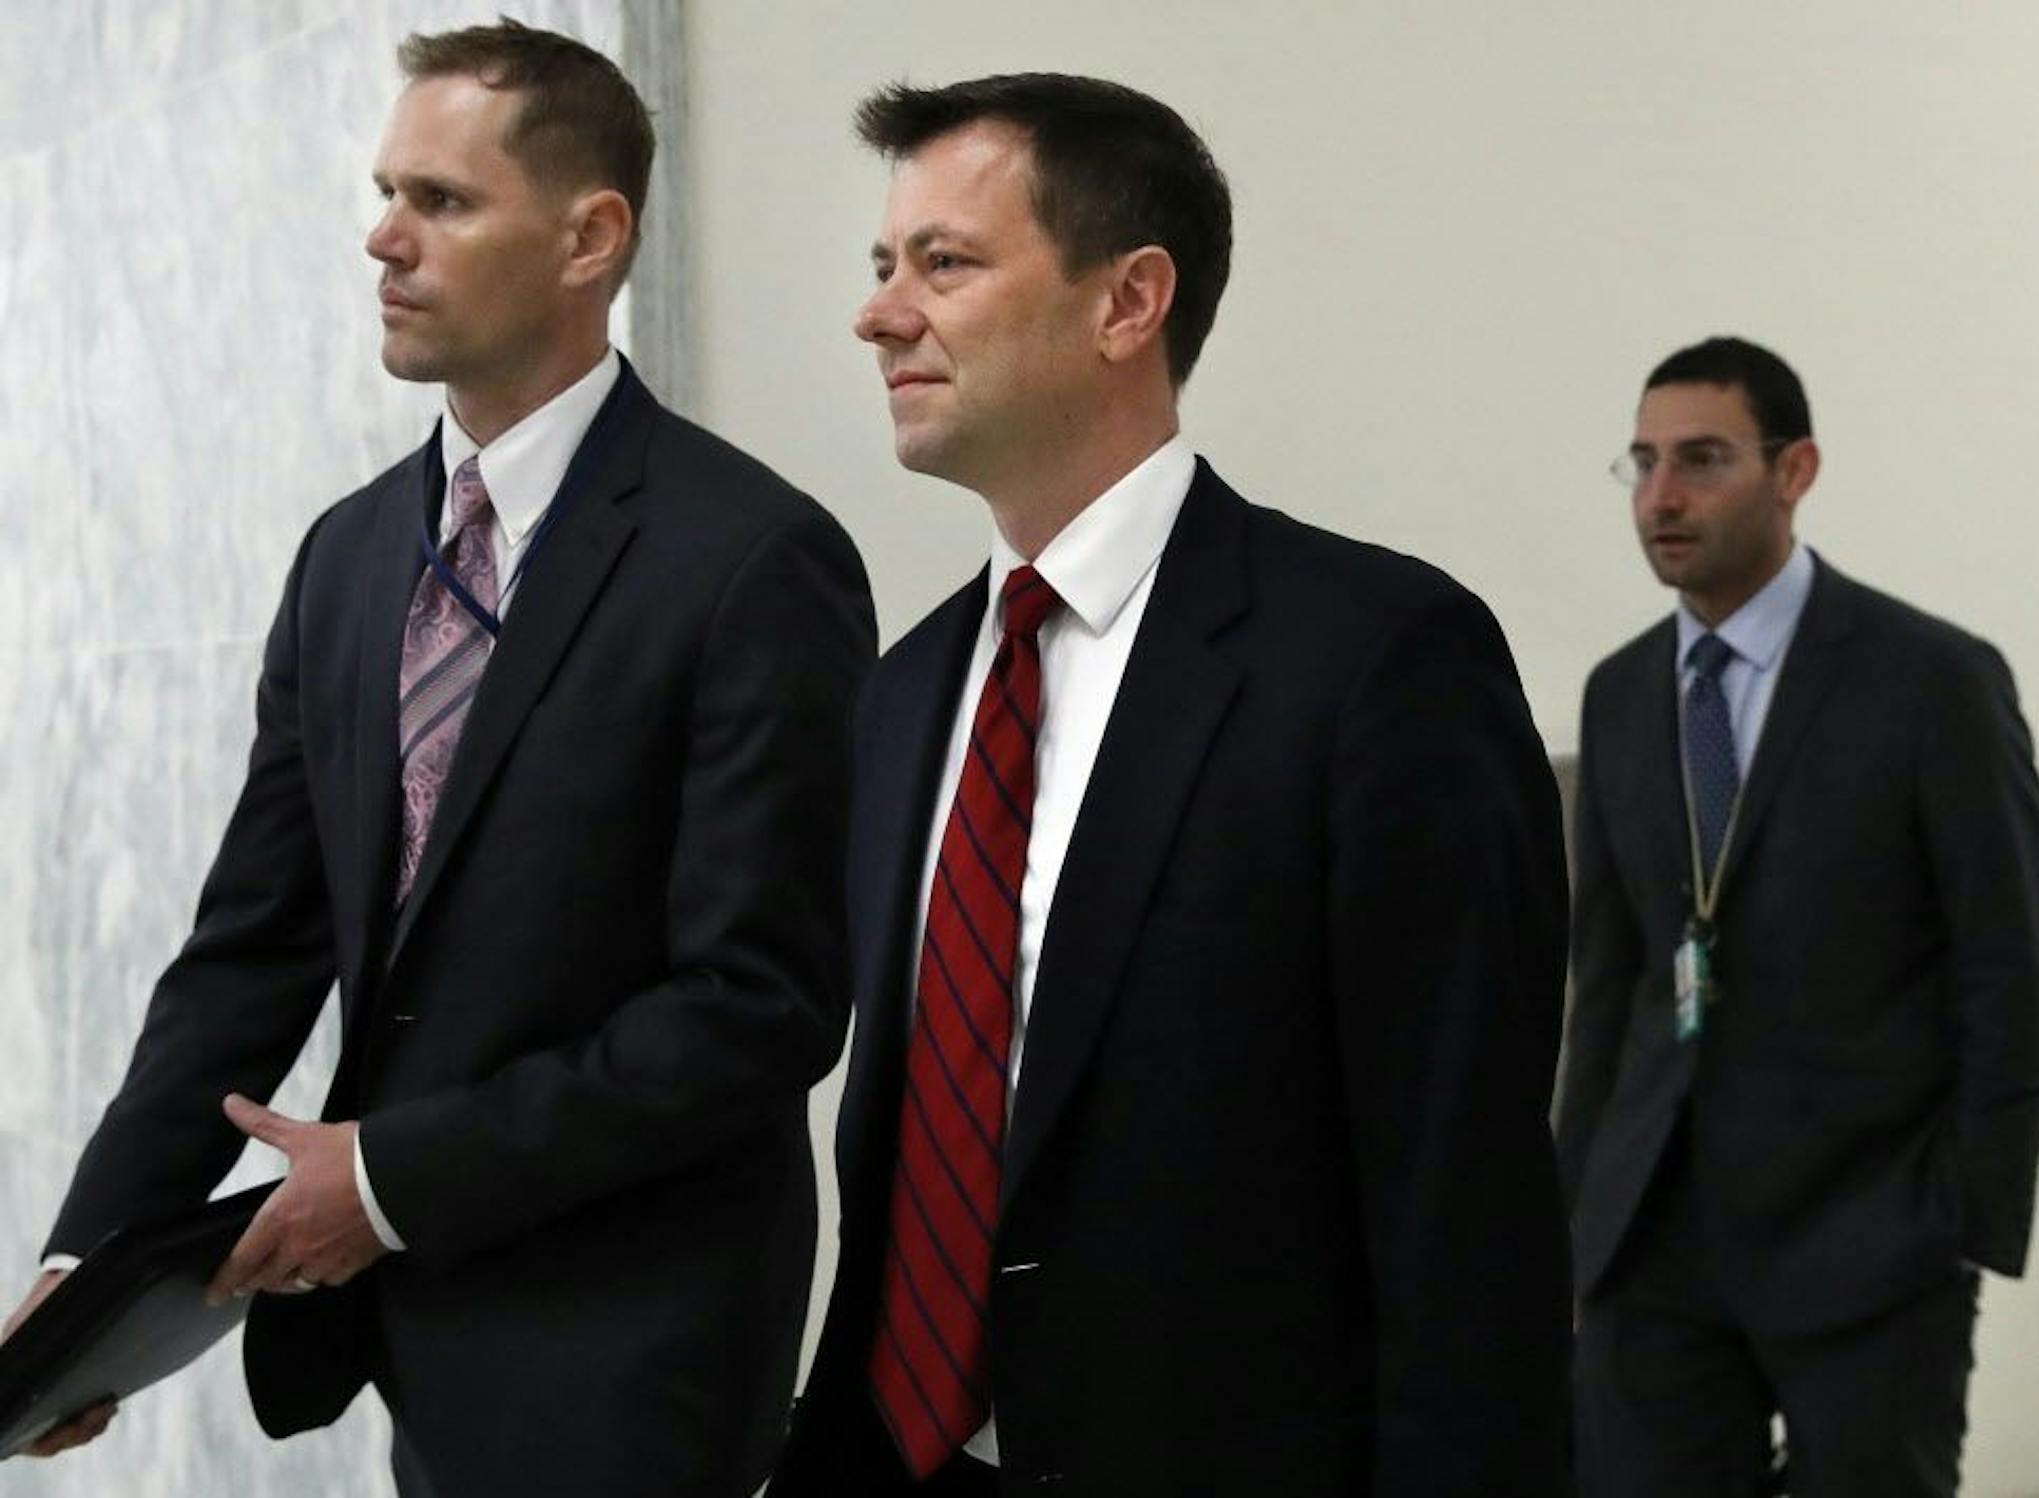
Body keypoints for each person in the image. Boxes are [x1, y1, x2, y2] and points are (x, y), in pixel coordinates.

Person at [2, 20, 873, 1497]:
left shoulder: (753, 559)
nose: (382, 239)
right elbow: (252, 948)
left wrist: (393, 1180)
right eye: (385, 191)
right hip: (415, 1339)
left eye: (442, 202)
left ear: (592, 237)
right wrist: (83, 1274)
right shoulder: (348, 556)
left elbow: (761, 1005)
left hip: (638, 1341)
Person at [769, 73, 1571, 1497]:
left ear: (1128, 302)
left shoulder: (1377, 658)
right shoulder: (904, 696)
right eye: (883, 266)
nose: (881, 312)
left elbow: (1467, 1211)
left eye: (943, 263)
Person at [1556, 336, 2039, 1497]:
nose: (1662, 497)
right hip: (1656, 1243)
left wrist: (1967, 1227)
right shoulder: (1625, 693)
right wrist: (1577, 1211)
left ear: (1796, 471)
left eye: (1703, 459)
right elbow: (1612, 976)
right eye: (1641, 463)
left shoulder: (1931, 681)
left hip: (1871, 1237)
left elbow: (2009, 971)